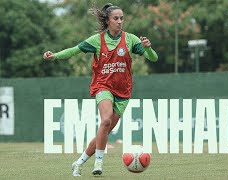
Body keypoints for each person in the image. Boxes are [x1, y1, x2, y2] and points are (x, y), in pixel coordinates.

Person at [43, 3, 158, 177]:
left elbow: (153, 58)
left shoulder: (130, 39)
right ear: (108, 21)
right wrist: (55, 56)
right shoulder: (97, 40)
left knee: (105, 130)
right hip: (102, 86)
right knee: (105, 121)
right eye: (116, 18)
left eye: (122, 18)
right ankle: (99, 162)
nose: (120, 22)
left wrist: (148, 48)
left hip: (123, 91)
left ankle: (79, 162)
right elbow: (74, 50)